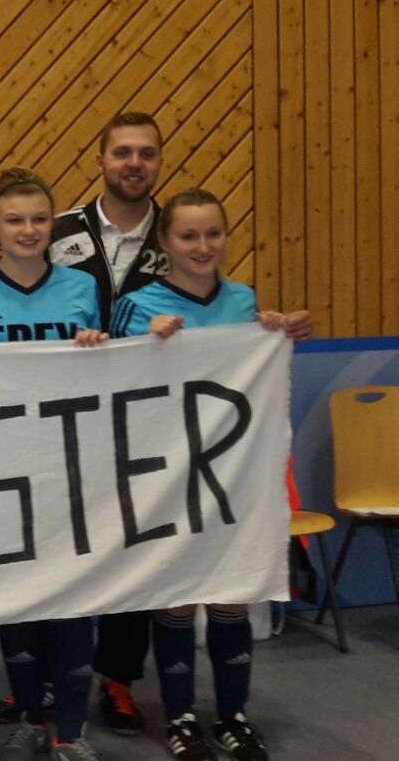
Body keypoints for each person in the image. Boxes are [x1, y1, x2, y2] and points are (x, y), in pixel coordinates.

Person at [108, 189, 310, 761]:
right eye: (189, 236)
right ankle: (180, 717)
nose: (203, 246)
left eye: (213, 234)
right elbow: (109, 385)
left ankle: (233, 716)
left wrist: (275, 333)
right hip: (166, 477)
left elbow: (253, 376)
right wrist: (145, 345)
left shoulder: (243, 300)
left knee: (230, 596)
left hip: (232, 474)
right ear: (165, 242)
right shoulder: (137, 304)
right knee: (175, 598)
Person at [0, 169, 106, 761]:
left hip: (68, 465)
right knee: (17, 596)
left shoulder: (81, 288)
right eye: (14, 220)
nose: (28, 230)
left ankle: (71, 730)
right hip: (1, 470)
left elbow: (112, 371)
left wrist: (96, 350)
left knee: (72, 597)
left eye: (39, 219)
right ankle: (29, 716)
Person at [30, 110, 168, 736]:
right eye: (122, 152)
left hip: (143, 419)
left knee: (129, 552)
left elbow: (212, 299)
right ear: (101, 160)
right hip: (58, 420)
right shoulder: (55, 230)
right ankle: (38, 679)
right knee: (49, 549)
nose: (134, 163)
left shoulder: (178, 231)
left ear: (158, 162)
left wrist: (262, 326)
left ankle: (118, 679)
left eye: (146, 153)